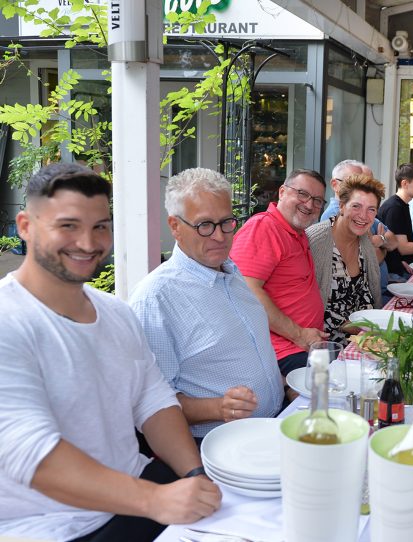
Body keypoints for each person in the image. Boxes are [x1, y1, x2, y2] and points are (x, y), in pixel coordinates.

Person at [0, 163, 221, 539]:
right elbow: (30, 454)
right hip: (56, 525)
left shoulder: (116, 312)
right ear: (26, 226)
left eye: (100, 226)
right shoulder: (9, 320)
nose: (88, 243)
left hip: (138, 486)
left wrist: (194, 475)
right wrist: (156, 501)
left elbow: (154, 402)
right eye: (68, 226)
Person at [129, 168, 285, 439]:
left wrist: (282, 385)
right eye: (204, 225)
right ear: (175, 226)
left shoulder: (232, 271)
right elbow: (151, 402)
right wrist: (218, 407)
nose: (219, 236)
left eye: (226, 222)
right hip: (220, 444)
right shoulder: (155, 298)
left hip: (274, 423)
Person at [230, 169, 328, 376]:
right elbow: (245, 291)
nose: (309, 204)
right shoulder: (263, 227)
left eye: (317, 200)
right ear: (282, 192)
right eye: (302, 194)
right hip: (282, 353)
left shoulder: (296, 232)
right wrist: (299, 334)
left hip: (305, 345)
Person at [307, 175, 384, 345]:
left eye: (371, 209)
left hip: (363, 336)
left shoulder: (364, 241)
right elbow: (307, 303)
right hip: (326, 341)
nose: (363, 216)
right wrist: (360, 328)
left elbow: (368, 294)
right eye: (356, 206)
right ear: (341, 206)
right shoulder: (316, 240)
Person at [320, 159, 396, 256]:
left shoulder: (365, 211)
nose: (363, 190)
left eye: (366, 184)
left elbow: (394, 240)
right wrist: (383, 250)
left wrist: (380, 240)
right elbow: (363, 260)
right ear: (335, 185)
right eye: (352, 183)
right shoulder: (333, 216)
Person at [377, 163, 413, 280]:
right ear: (405, 184)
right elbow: (404, 248)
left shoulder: (403, 204)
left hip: (403, 267)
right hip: (395, 273)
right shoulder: (395, 208)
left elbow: (406, 240)